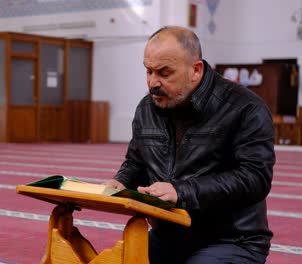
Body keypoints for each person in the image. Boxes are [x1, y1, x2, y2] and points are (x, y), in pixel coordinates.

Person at [105, 26, 275, 263]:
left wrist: (181, 191)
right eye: (148, 71)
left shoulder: (245, 108)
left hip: (232, 240)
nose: (153, 82)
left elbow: (255, 178)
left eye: (164, 73)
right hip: (168, 236)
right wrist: (120, 182)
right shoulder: (147, 107)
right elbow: (136, 162)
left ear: (195, 70)